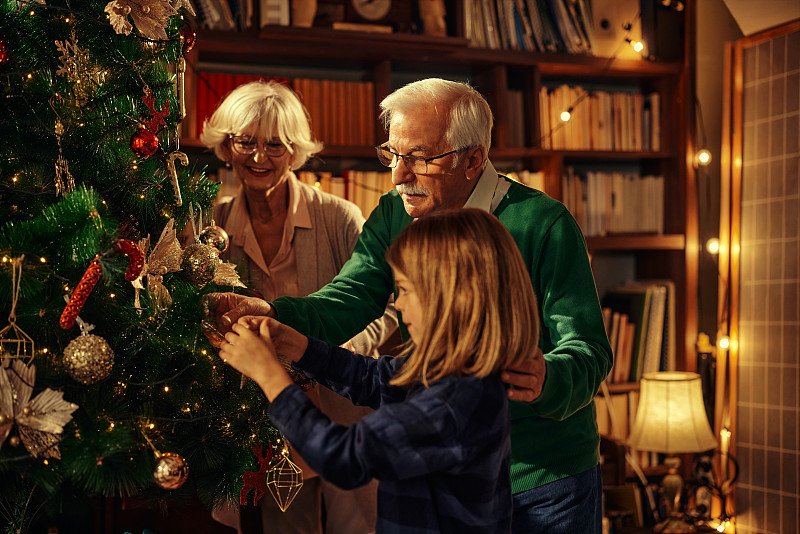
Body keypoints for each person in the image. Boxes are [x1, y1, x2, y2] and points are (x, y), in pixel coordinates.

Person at [205, 78, 613, 533]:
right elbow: (353, 301)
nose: (398, 174)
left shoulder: (543, 225)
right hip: (441, 474)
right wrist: (278, 318)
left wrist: (547, 377)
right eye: (393, 154)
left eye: (418, 157)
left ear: (473, 157)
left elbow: (588, 349)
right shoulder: (396, 211)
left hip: (546, 477)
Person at [218, 208, 541, 533]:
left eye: (404, 289)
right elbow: (372, 378)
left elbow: (343, 457)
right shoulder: (453, 372)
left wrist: (269, 376)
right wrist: (293, 343)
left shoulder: (455, 400)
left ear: (450, 297)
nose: (398, 305)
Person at [199, 79, 397, 534]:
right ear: (226, 147)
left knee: (360, 527)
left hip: (347, 411)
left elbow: (387, 306)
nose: (258, 157)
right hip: (265, 417)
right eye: (245, 142)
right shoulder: (212, 227)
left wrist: (332, 355)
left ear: (296, 151)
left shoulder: (340, 216)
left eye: (275, 144)